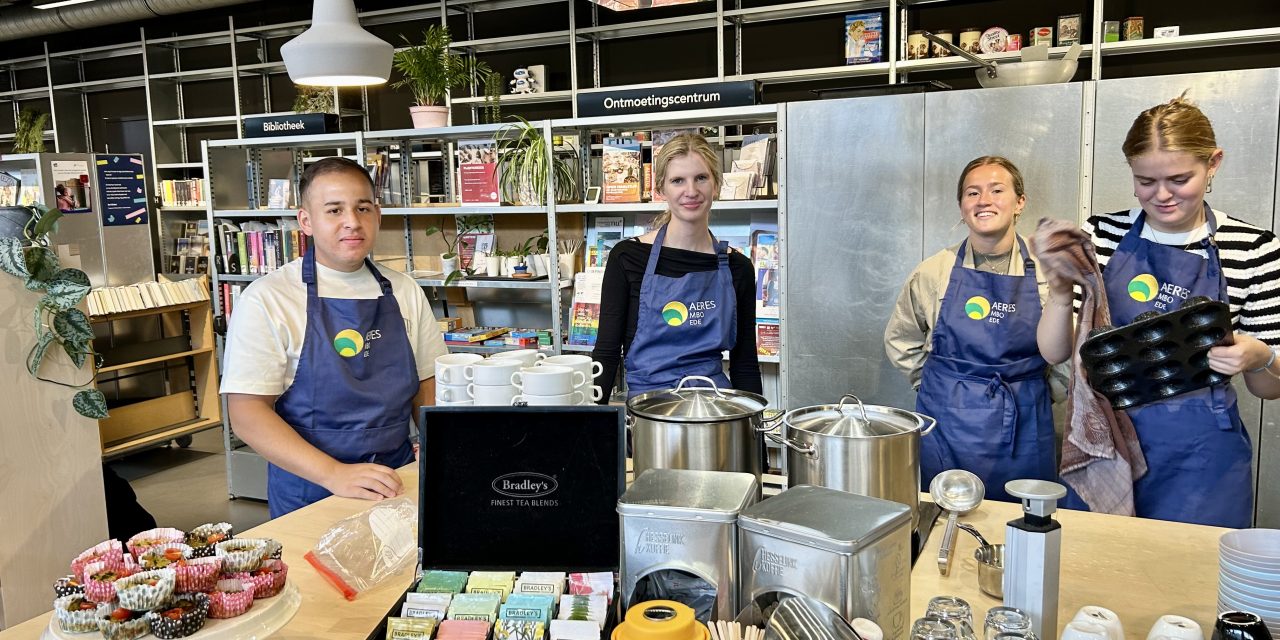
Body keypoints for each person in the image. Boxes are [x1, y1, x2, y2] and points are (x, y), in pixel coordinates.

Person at [1036, 96, 1280, 528]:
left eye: (1180, 178)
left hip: (1202, 461)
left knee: (1189, 585)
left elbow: (1268, 389)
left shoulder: (1255, 249)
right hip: (1108, 441)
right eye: (1145, 180)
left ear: (1213, 164)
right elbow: (1054, 352)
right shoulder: (1103, 235)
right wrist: (1058, 289)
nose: (1162, 195)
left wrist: (1260, 357)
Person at [222, 157, 447, 518]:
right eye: (334, 210)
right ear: (306, 221)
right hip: (310, 489)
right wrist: (333, 474)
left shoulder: (404, 291)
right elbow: (247, 412)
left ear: (378, 214)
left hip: (396, 480)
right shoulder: (269, 298)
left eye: (363, 208)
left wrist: (441, 451)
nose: (352, 222)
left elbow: (428, 385)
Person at [884, 156, 1056, 502]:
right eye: (972, 193)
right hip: (947, 421)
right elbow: (900, 339)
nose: (983, 201)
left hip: (1024, 422)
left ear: (1019, 202)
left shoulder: (1048, 273)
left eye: (996, 190)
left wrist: (1042, 393)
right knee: (943, 517)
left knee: (1022, 524)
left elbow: (1067, 353)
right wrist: (938, 384)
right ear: (962, 206)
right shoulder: (934, 272)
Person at [593, 133, 762, 401]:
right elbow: (606, 353)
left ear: (716, 185)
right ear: (661, 188)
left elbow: (745, 365)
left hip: (714, 413)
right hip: (648, 414)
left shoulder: (737, 267)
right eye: (678, 180)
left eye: (701, 178)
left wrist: (755, 433)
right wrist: (594, 433)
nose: (691, 191)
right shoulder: (627, 258)